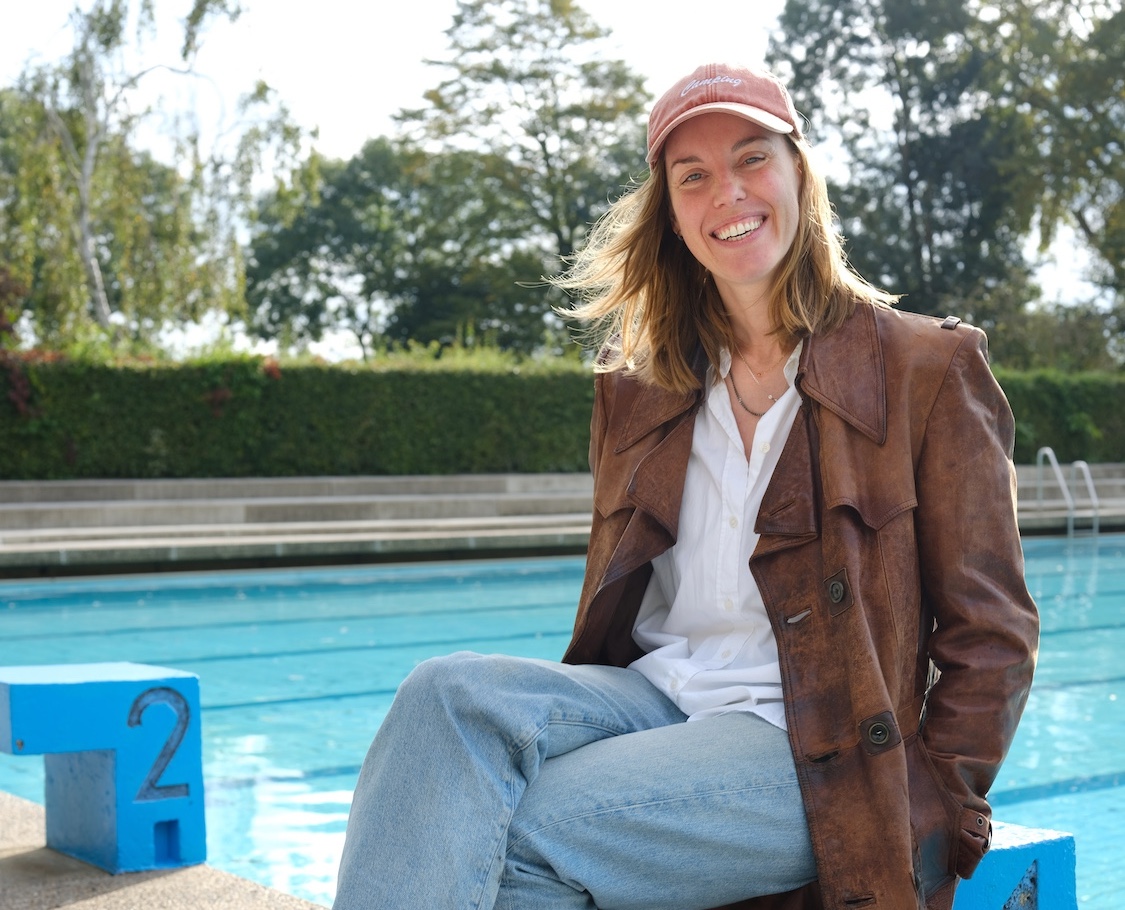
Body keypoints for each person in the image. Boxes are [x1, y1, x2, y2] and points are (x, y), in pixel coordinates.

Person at [332, 62, 1039, 910]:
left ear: (796, 175)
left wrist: (936, 801)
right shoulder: (637, 390)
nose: (726, 194)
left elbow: (992, 633)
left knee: (511, 827)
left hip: (815, 747)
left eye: (750, 159)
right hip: (653, 701)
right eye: (692, 176)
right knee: (441, 697)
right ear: (670, 212)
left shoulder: (924, 368)